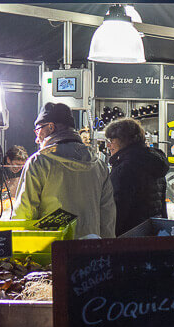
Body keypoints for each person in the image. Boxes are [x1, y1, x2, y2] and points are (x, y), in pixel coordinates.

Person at [14, 102, 116, 238]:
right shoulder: (99, 164)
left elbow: (24, 212)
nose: (36, 139)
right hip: (91, 251)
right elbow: (108, 215)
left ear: (51, 127)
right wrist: (105, 251)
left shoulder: (39, 162)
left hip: (52, 250)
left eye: (38, 130)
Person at [104, 118, 171, 236]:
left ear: (124, 140)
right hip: (152, 231)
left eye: (111, 140)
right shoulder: (153, 160)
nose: (108, 145)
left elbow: (119, 208)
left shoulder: (126, 167)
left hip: (130, 235)